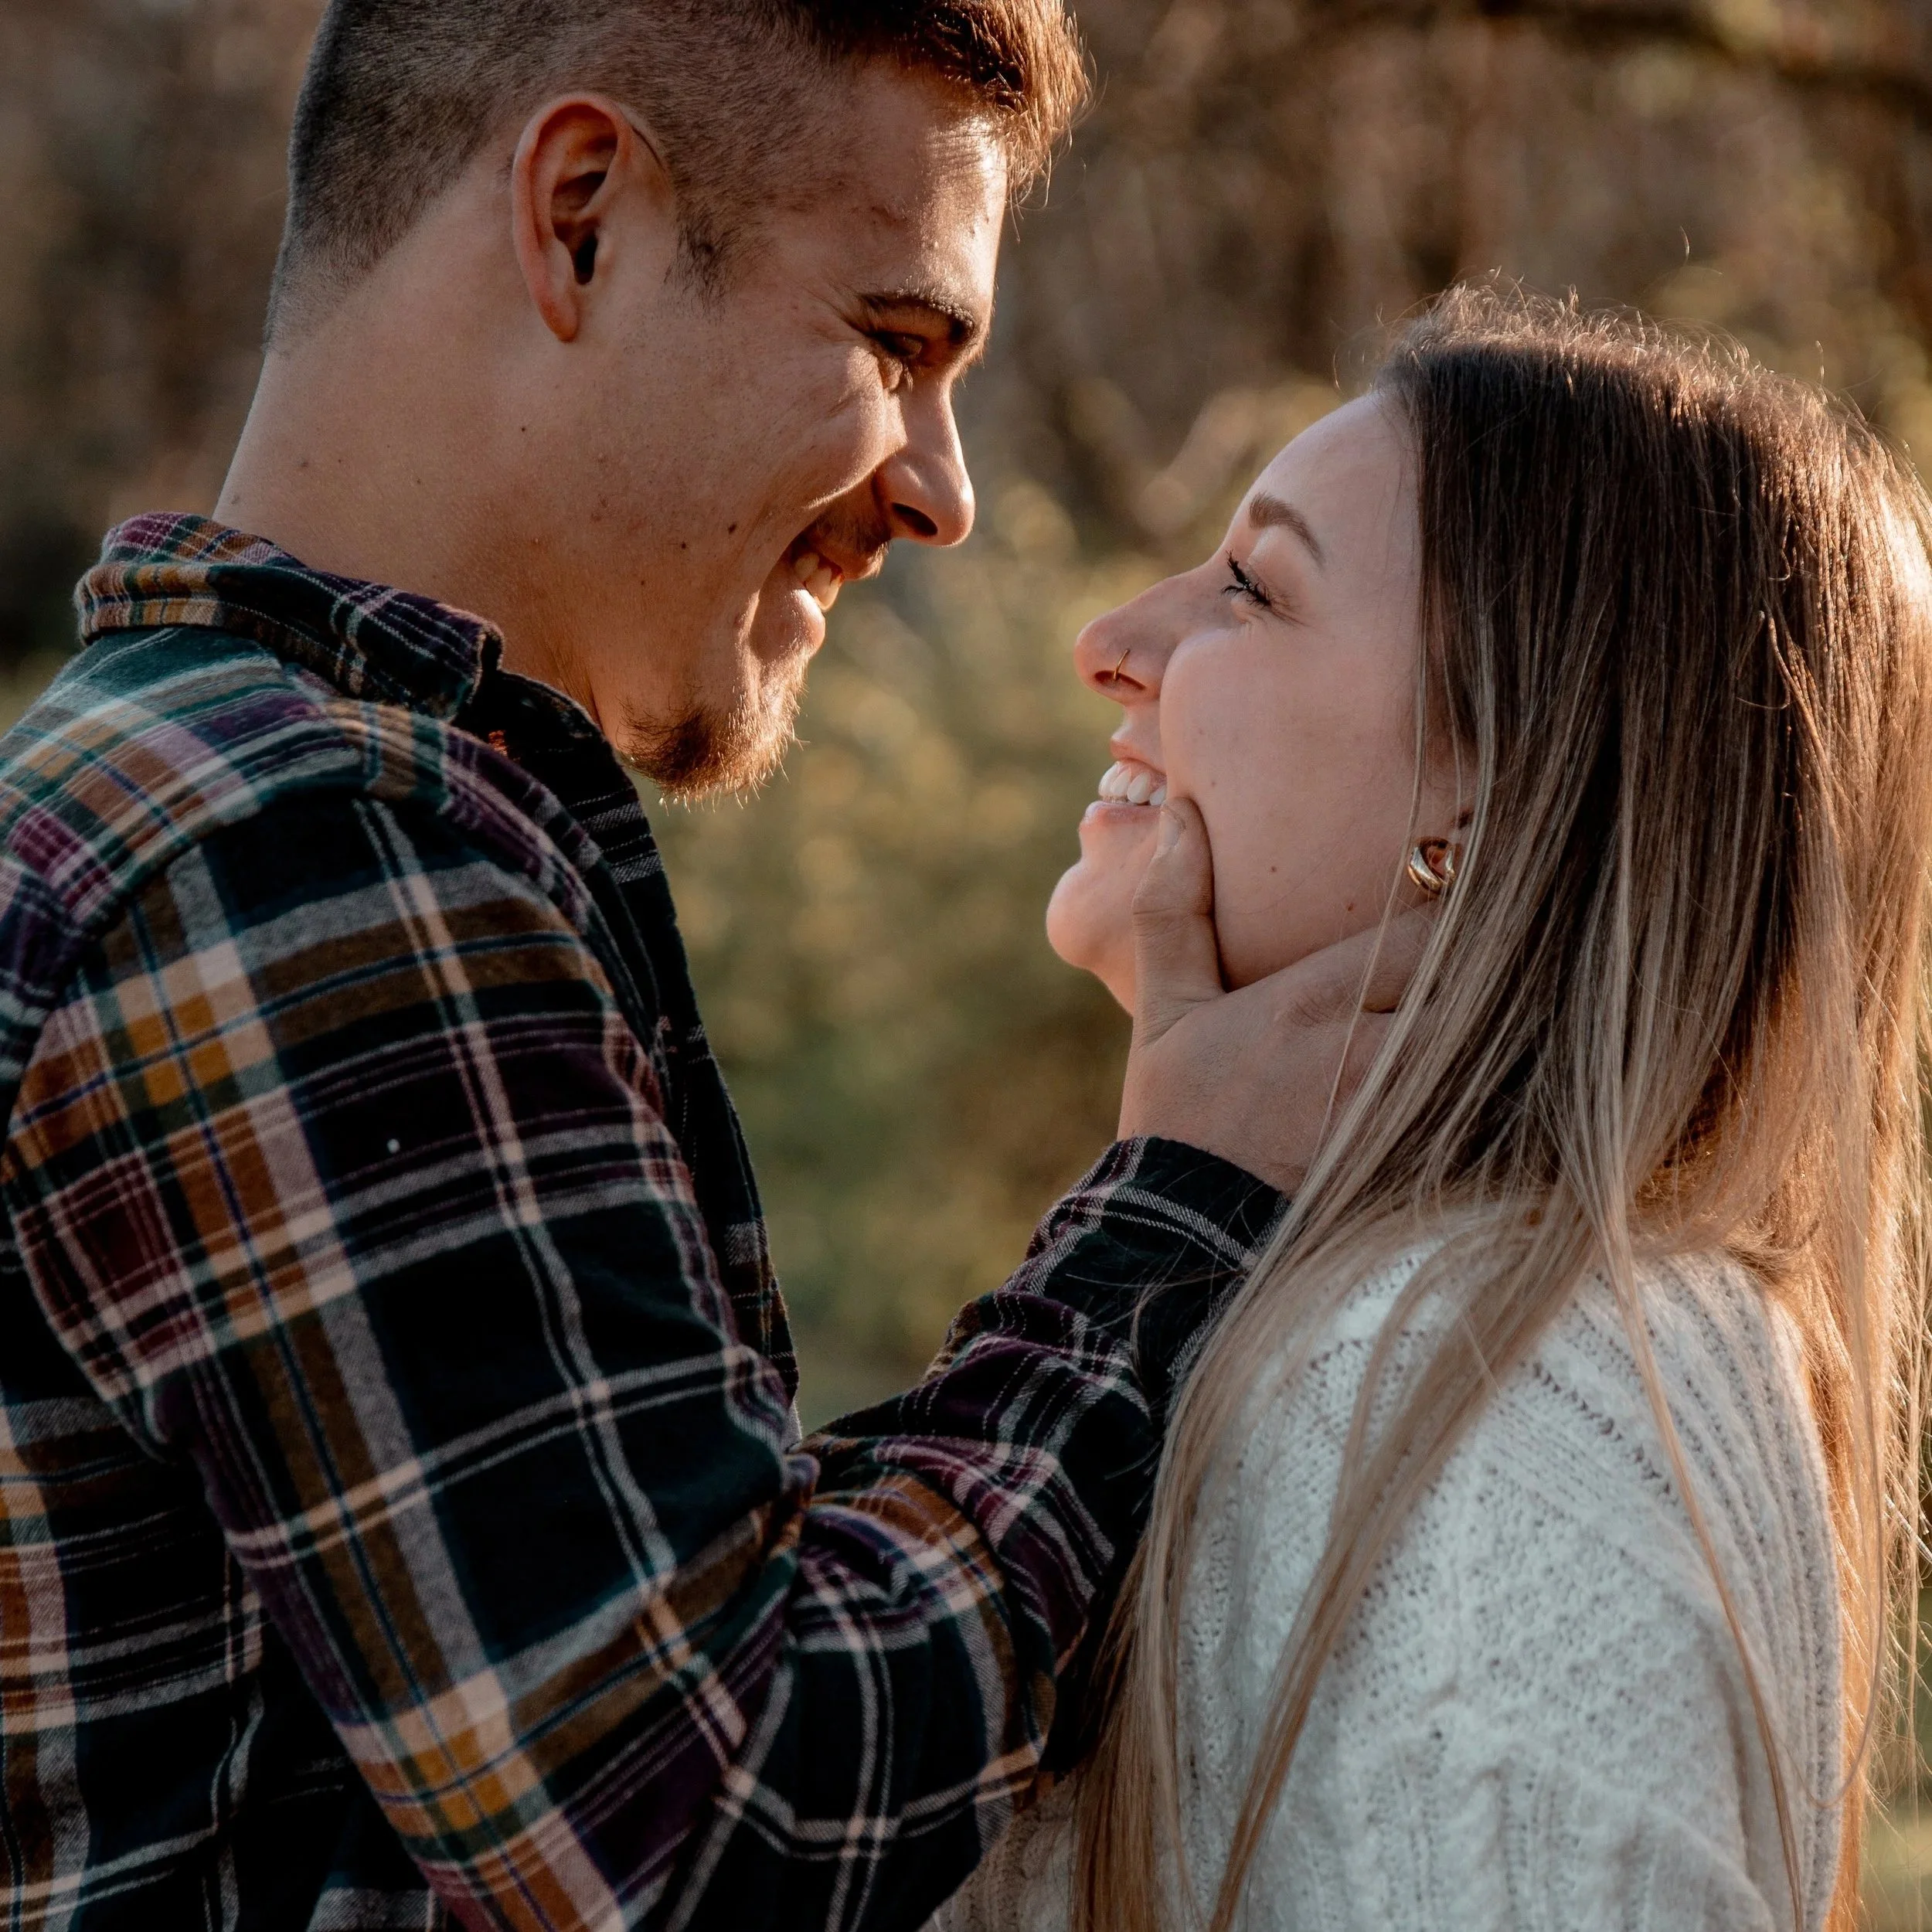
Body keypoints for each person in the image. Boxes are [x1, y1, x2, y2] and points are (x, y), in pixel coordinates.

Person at [0, 5, 1420, 1930]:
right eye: (892, 343)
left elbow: (635, 1637)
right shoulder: (296, 847)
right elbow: (709, 1823)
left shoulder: (162, 787)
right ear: (579, 217)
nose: (942, 491)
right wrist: (1179, 1207)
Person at [938, 286, 1932, 1932]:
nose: (1111, 636)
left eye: (1252, 588)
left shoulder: (1509, 1388)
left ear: (1504, 789)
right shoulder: (1423, 1337)